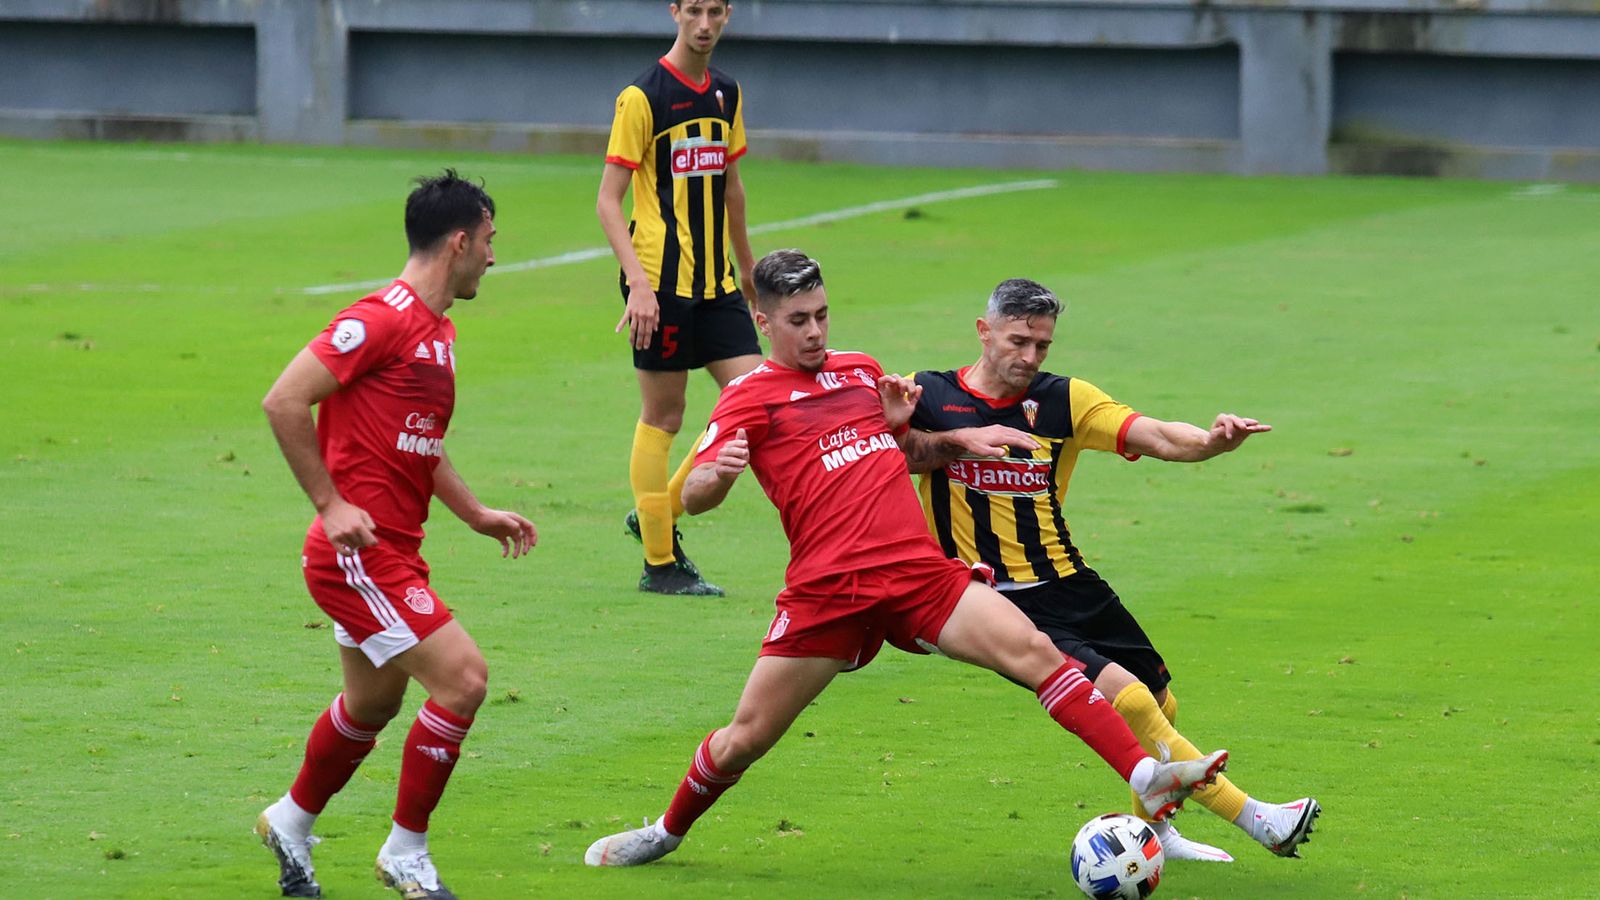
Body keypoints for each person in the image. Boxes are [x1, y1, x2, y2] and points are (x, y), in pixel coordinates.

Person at [583, 250, 1228, 870]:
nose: (815, 332)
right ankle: (666, 831)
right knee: (745, 738)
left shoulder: (863, 371)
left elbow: (910, 451)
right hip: (828, 590)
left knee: (1039, 654)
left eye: (822, 315)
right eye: (799, 321)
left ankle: (1149, 774)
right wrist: (718, 477)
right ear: (764, 321)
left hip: (917, 571)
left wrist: (925, 433)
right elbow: (694, 496)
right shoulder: (749, 396)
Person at [901, 277, 1320, 862]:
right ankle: (1259, 819)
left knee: (1160, 700)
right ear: (983, 330)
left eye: (1042, 345)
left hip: (1070, 581)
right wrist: (950, 439)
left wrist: (1209, 442)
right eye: (1018, 341)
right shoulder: (931, 394)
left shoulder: (1062, 400)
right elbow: (890, 447)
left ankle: (1154, 831)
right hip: (994, 599)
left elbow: (1153, 435)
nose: (1030, 357)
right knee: (1129, 701)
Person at [255, 170, 537, 900]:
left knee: (374, 705)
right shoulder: (380, 319)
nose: (493, 257)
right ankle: (406, 853)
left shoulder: (436, 332)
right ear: (459, 240)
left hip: (395, 552)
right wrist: (329, 503)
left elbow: (419, 440)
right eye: (490, 240)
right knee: (465, 679)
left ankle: (289, 820)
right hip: (359, 557)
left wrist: (475, 513)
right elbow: (284, 400)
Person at [598, 0, 763, 596]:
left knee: (754, 401)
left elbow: (732, 187)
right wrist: (638, 285)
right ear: (674, 12)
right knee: (664, 416)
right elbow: (607, 200)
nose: (704, 23)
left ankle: (656, 513)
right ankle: (660, 565)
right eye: (694, 9)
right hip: (659, 285)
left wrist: (750, 271)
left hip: (718, 283)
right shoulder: (642, 97)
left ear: (727, 15)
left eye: (715, 11)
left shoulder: (727, 92)